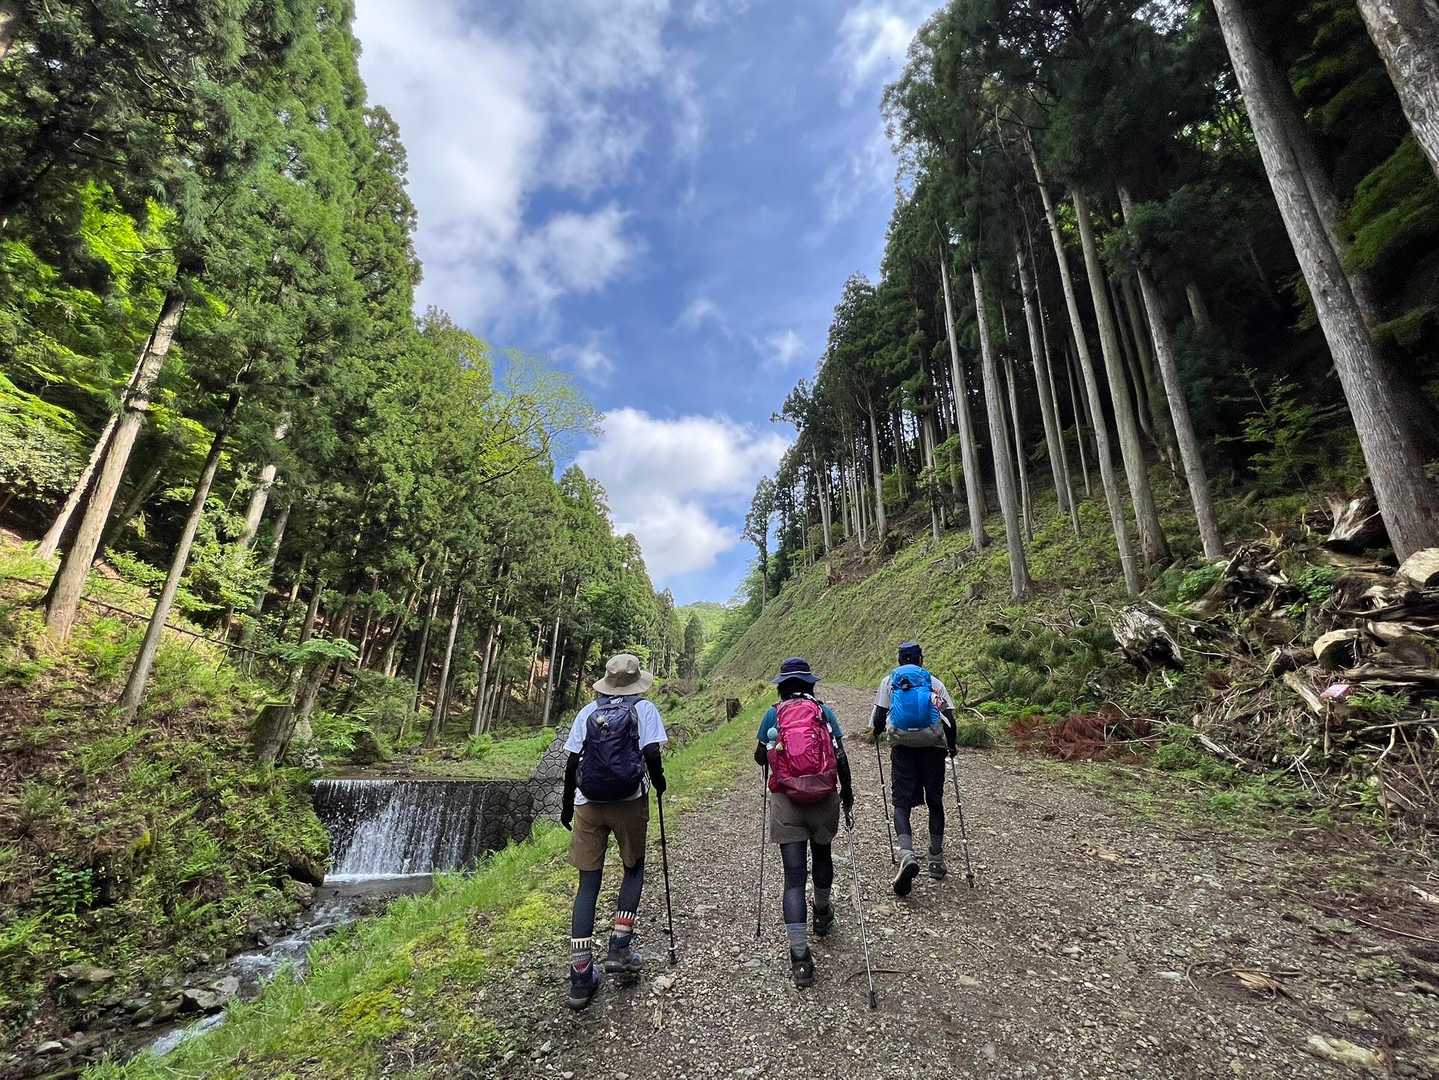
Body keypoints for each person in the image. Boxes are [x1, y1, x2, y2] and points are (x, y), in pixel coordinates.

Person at [560, 653, 668, 1010]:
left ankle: (580, 976)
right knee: (633, 868)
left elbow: (572, 762)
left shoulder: (587, 713)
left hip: (587, 804)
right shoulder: (644, 710)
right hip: (628, 800)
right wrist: (660, 782)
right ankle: (620, 947)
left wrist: (566, 806)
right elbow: (651, 753)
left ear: (606, 683)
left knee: (587, 884)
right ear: (636, 682)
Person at [753, 657, 854, 989]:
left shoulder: (773, 714)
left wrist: (773, 749)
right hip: (823, 797)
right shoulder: (823, 712)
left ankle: (800, 959)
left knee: (793, 879)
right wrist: (847, 793)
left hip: (787, 801)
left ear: (781, 687)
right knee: (822, 855)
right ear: (810, 684)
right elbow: (840, 756)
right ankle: (822, 913)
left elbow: (759, 757)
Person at [872, 641, 957, 896]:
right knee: (935, 801)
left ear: (899, 661)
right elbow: (950, 718)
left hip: (903, 748)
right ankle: (936, 859)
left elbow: (878, 717)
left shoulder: (889, 682)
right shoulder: (933, 682)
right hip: (933, 748)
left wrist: (877, 733)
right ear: (921, 660)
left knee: (901, 803)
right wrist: (952, 746)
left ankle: (907, 854)